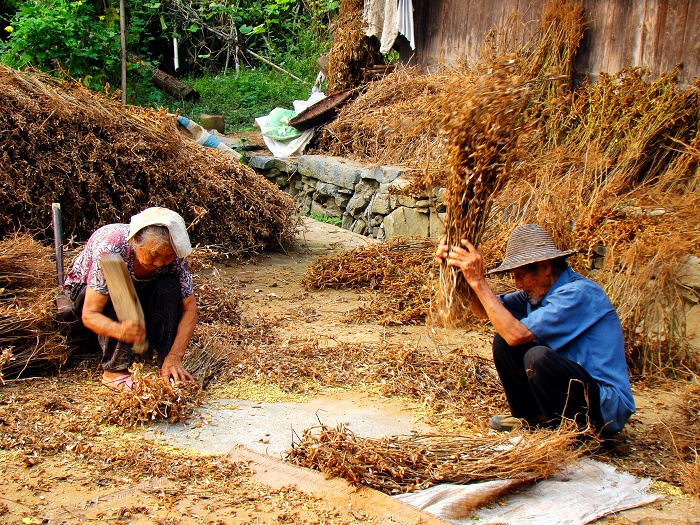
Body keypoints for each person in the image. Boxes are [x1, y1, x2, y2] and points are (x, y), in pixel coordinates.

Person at [435, 224, 635, 436]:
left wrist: (478, 280)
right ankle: (536, 418)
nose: (518, 283)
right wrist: (458, 273)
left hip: (603, 407)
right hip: (571, 395)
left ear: (546, 267)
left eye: (521, 274)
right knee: (503, 342)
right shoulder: (538, 294)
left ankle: (576, 433)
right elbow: (486, 310)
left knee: (538, 357)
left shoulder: (578, 294)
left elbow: (516, 334)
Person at [65, 207, 197, 391]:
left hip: (139, 292)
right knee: (118, 285)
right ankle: (114, 371)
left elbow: (190, 309)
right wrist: (120, 331)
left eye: (167, 257)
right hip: (89, 293)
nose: (159, 263)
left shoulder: (175, 257)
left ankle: (167, 362)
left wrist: (176, 355)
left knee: (169, 286)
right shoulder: (111, 248)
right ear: (136, 241)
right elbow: (90, 314)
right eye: (153, 255)